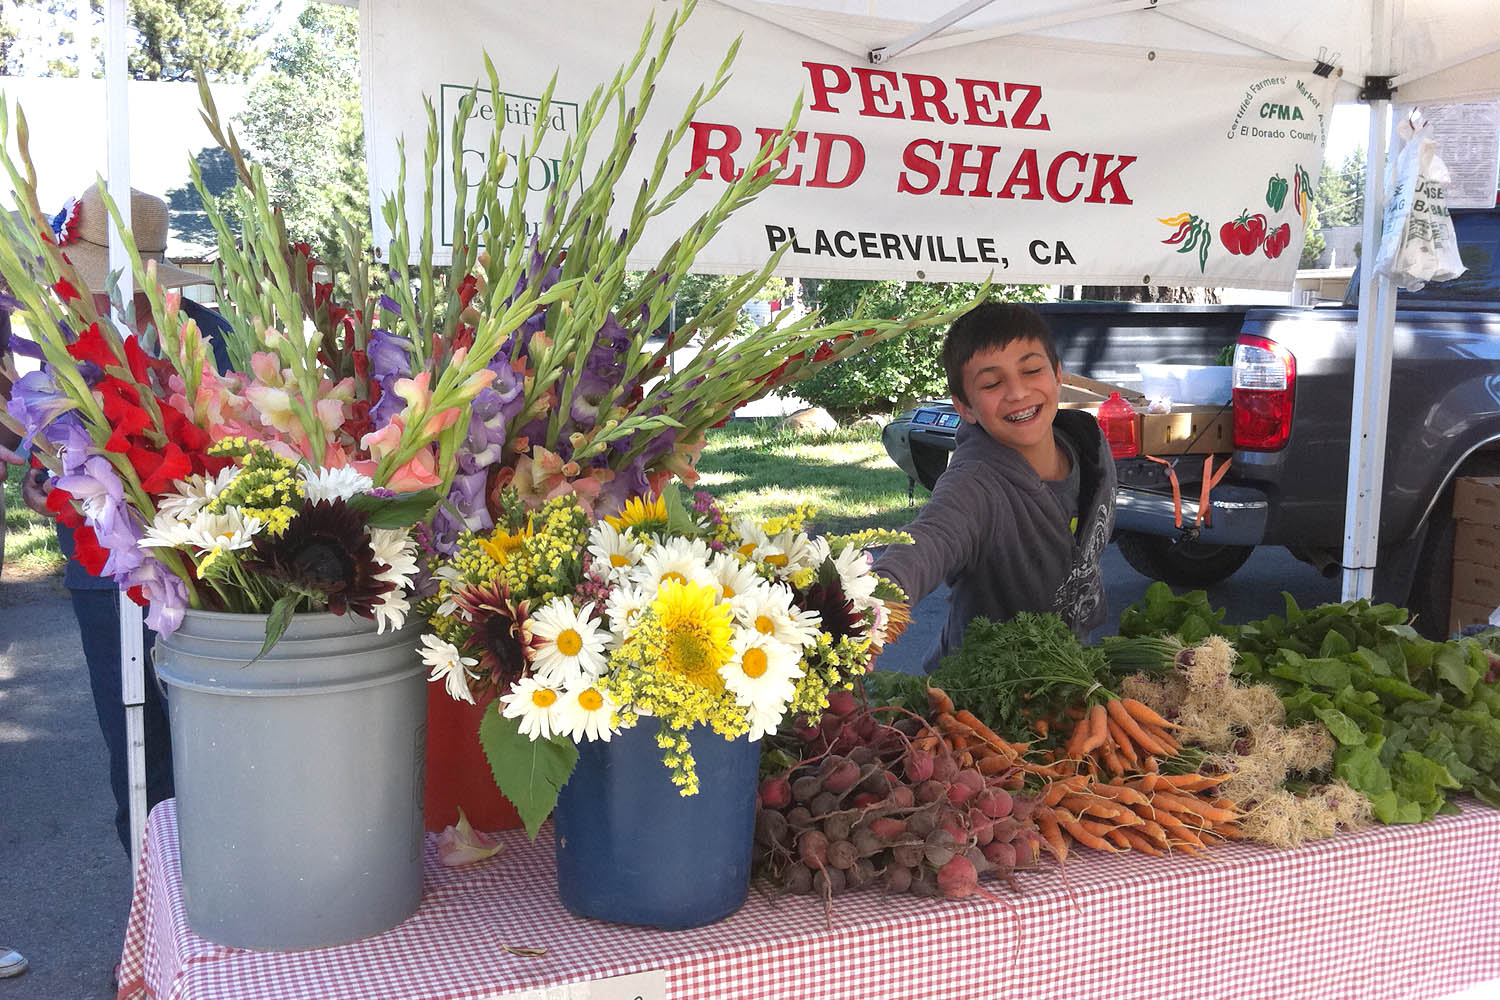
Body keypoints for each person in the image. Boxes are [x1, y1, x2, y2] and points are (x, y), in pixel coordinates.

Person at [14, 186, 232, 855]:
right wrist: (43, 476)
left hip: (207, 571)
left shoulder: (207, 335)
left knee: (221, 744)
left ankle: (227, 904)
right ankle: (148, 915)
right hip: (101, 571)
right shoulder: (67, 344)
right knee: (136, 749)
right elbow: (49, 465)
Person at [873, 301, 1117, 672]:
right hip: (975, 695)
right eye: (991, 383)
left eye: (1032, 370)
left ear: (1057, 375)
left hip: (1066, 674)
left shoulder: (1091, 449)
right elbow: (931, 538)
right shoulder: (973, 484)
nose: (1017, 393)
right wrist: (872, 603)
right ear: (965, 407)